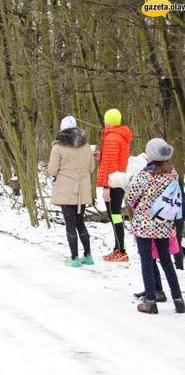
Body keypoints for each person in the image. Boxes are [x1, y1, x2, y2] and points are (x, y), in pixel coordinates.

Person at [126, 138, 184, 314]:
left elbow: (131, 198)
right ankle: (178, 300)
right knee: (166, 261)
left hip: (144, 225)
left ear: (150, 155)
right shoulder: (173, 174)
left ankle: (150, 301)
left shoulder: (144, 176)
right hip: (164, 224)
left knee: (146, 261)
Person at [48, 116, 95, 267]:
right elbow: (91, 168)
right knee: (80, 223)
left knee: (70, 224)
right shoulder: (86, 146)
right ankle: (88, 255)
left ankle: (74, 258)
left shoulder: (58, 147)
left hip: (65, 190)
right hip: (81, 190)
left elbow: (52, 170)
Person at [95, 108, 133, 262]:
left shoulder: (111, 138)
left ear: (108, 121)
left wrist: (107, 187)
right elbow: (113, 160)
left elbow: (111, 165)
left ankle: (121, 250)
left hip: (113, 183)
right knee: (115, 215)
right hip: (119, 180)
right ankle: (118, 248)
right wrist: (101, 156)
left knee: (115, 215)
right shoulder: (120, 137)